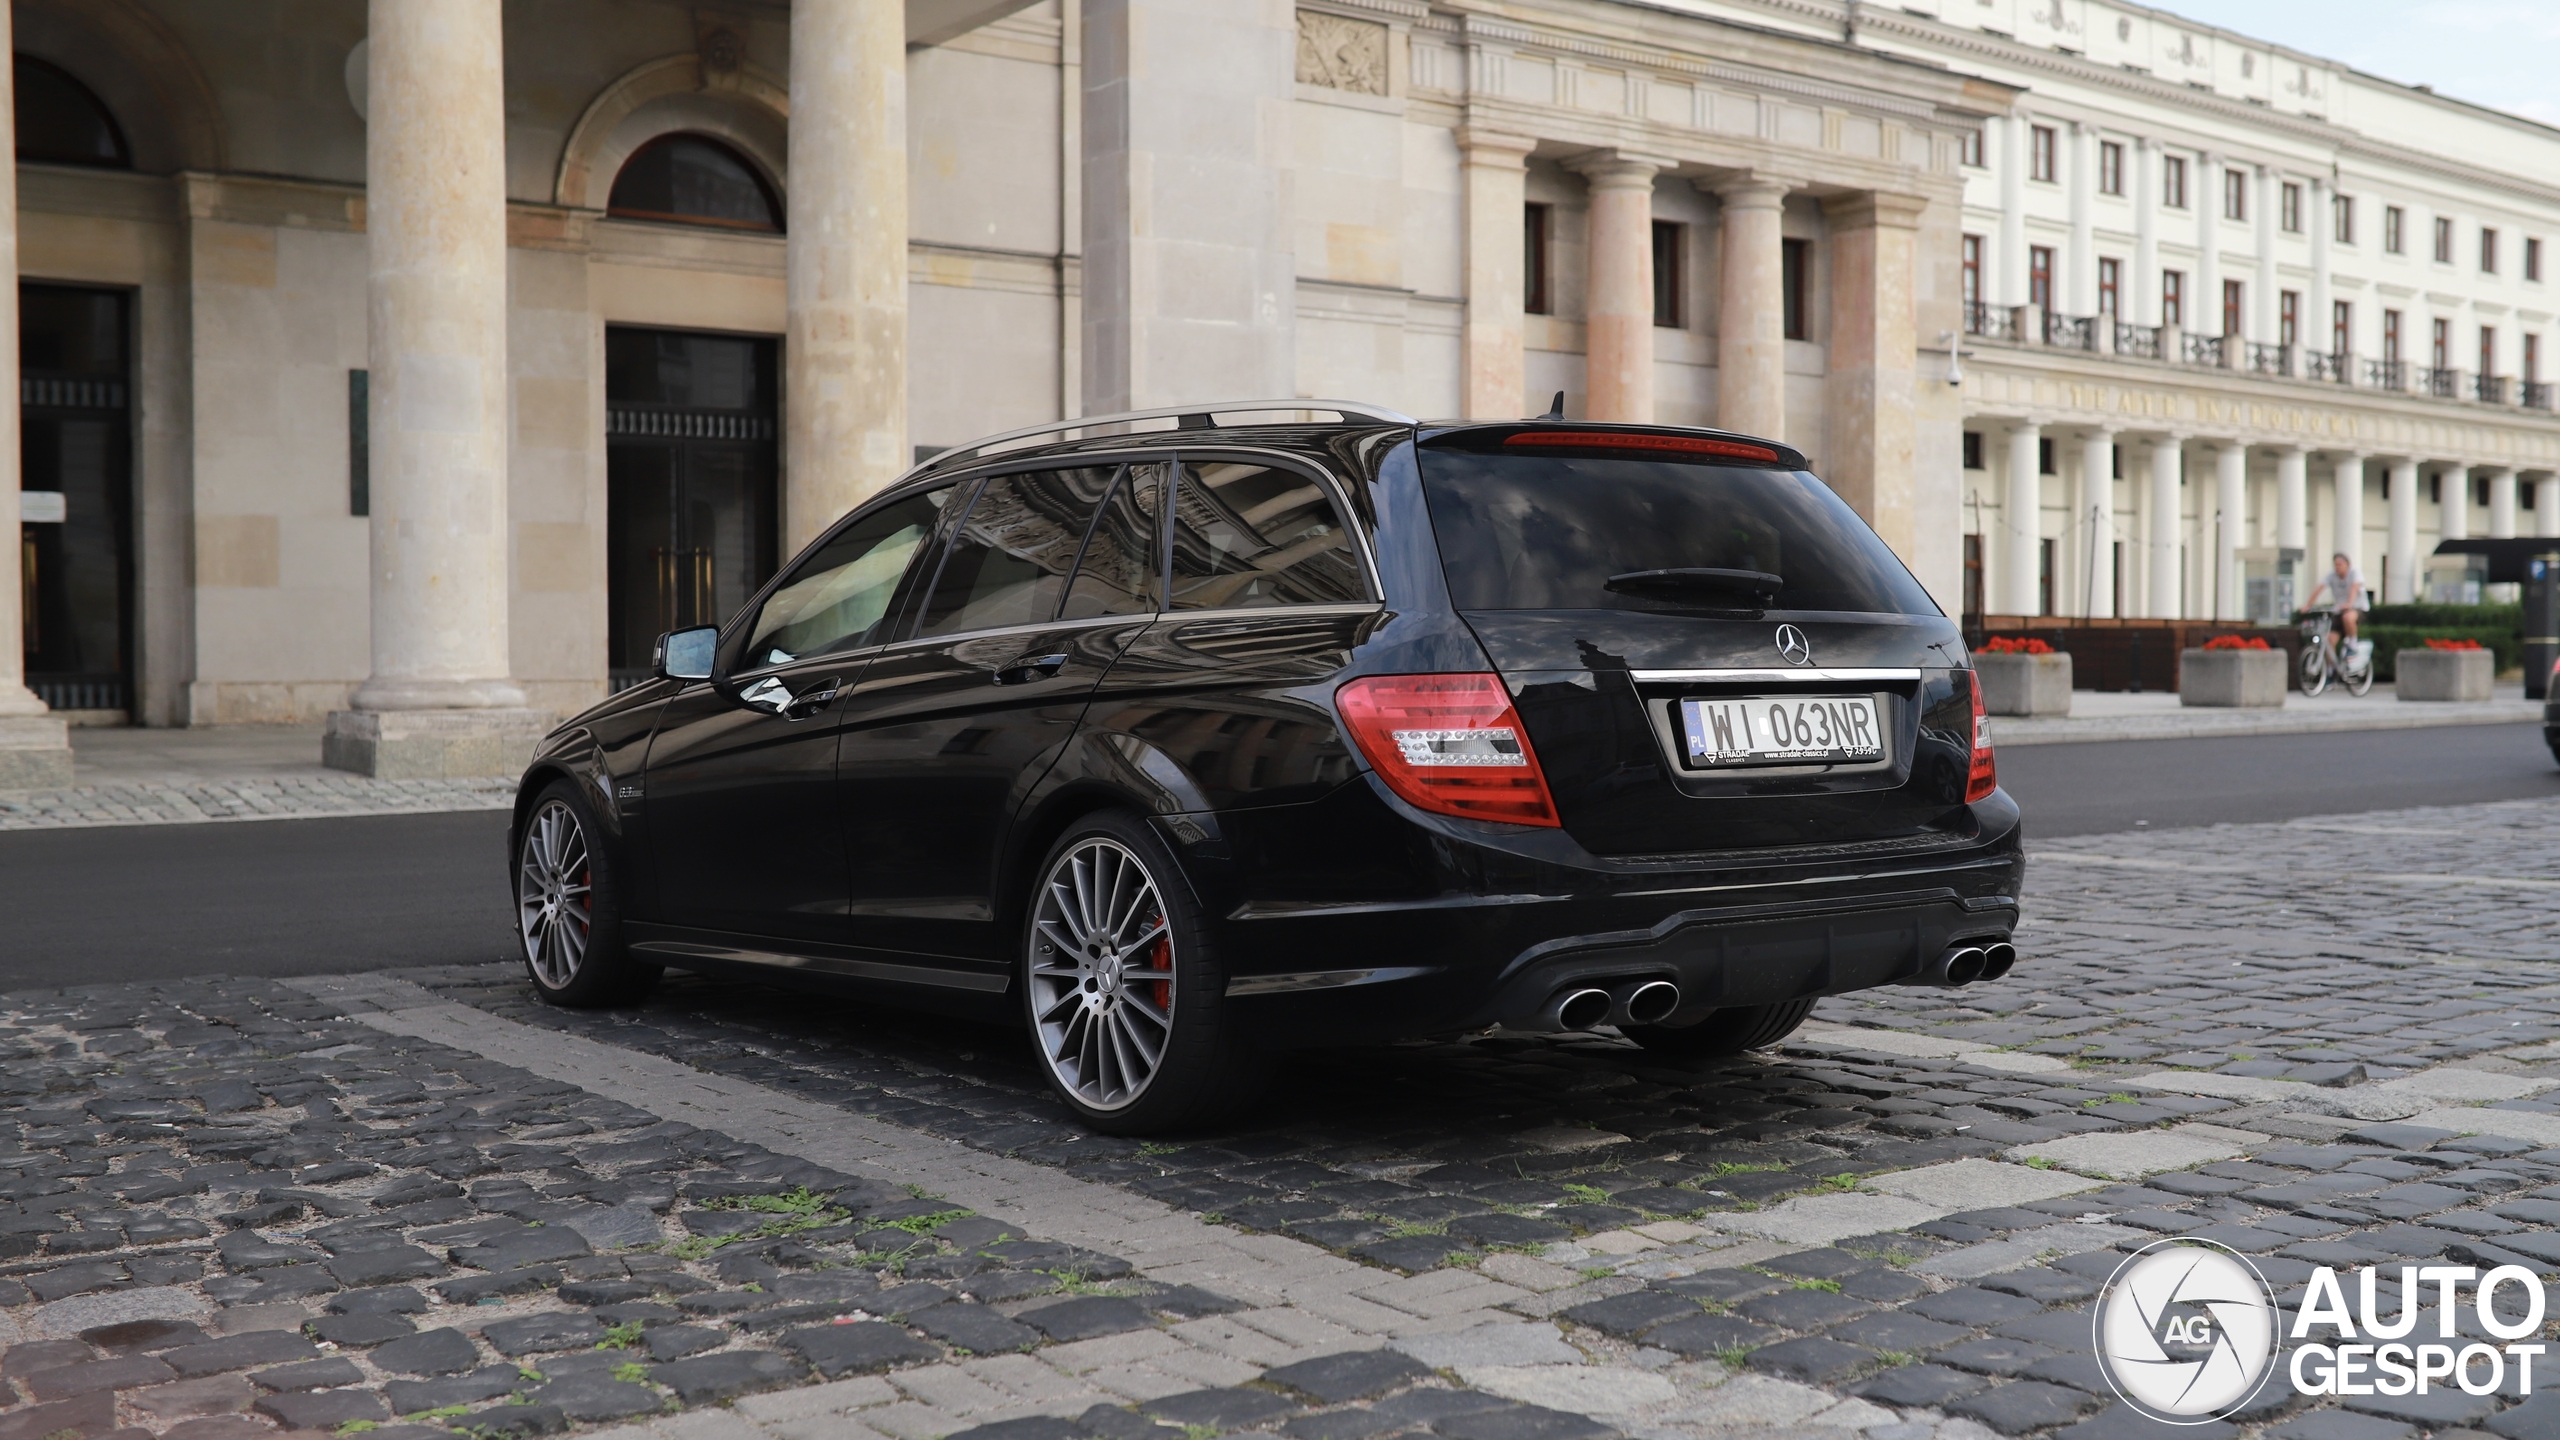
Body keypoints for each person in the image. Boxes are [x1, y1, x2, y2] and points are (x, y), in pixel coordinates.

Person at [2305, 553, 2366, 642]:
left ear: (2347, 564)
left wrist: (2349, 604)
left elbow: (2354, 588)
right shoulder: (2332, 575)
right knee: (2329, 639)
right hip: (2340, 610)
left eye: (2340, 564)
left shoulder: (2354, 573)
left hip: (2357, 608)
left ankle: (2352, 644)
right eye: (2336, 565)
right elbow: (2319, 588)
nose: (2337, 567)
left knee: (2348, 618)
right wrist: (2308, 605)